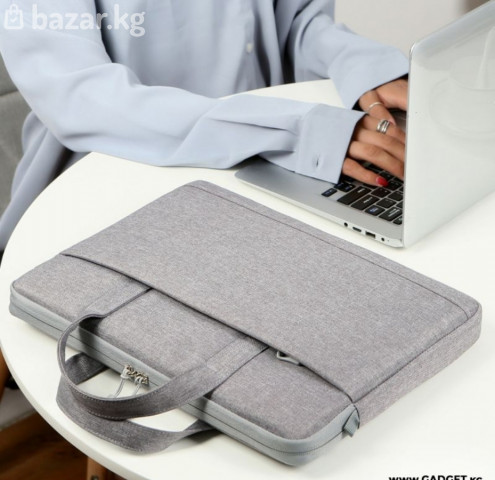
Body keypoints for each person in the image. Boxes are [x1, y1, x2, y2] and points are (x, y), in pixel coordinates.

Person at [0, 0, 408, 256]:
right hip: (105, 195)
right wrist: (294, 132)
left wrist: (363, 65)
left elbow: (294, 19)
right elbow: (84, 99)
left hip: (260, 171)